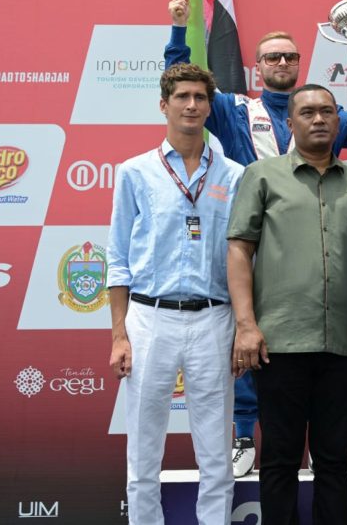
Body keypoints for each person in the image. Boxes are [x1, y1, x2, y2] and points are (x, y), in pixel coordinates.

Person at [166, 0, 347, 477]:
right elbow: (183, 87)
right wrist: (179, 32)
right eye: (273, 57)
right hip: (249, 240)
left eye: (290, 56)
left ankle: (304, 445)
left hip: (306, 243)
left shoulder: (320, 115)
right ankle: (244, 433)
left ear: (300, 63)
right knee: (249, 337)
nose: (282, 63)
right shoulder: (234, 109)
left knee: (298, 363)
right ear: (258, 66)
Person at [226, 84, 347, 525]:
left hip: (345, 343)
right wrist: (246, 325)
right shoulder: (262, 175)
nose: (319, 119)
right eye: (307, 113)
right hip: (280, 342)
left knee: (334, 459)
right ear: (290, 124)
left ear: (339, 120)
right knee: (280, 458)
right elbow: (239, 250)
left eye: (328, 111)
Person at [107, 64, 243, 525]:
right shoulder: (134, 172)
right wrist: (119, 335)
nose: (191, 105)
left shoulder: (234, 175)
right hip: (149, 318)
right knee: (143, 453)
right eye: (182, 96)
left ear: (209, 106)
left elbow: (245, 257)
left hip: (214, 317)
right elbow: (117, 257)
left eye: (200, 97)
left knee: (216, 453)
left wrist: (244, 324)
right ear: (163, 105)